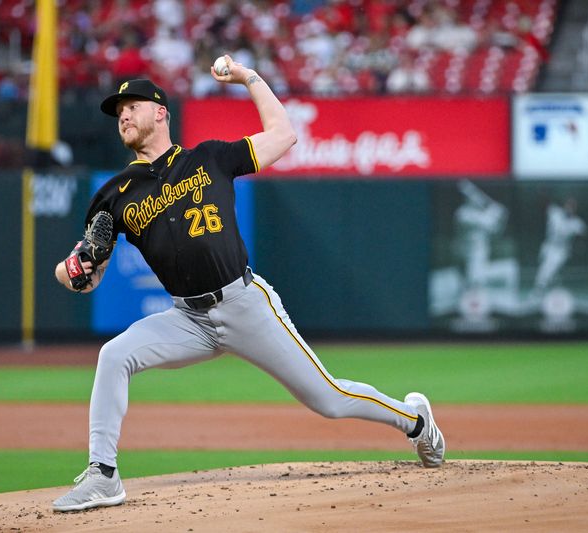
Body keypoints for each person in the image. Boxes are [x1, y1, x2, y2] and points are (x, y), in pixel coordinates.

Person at [51, 57, 445, 512]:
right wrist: (76, 269)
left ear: (160, 111)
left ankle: (416, 421)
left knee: (329, 399)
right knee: (113, 354)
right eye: (117, 111)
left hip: (243, 302)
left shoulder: (210, 157)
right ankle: (103, 475)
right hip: (188, 317)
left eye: (131, 105)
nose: (122, 114)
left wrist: (249, 78)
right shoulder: (114, 194)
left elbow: (284, 136)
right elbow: (85, 276)